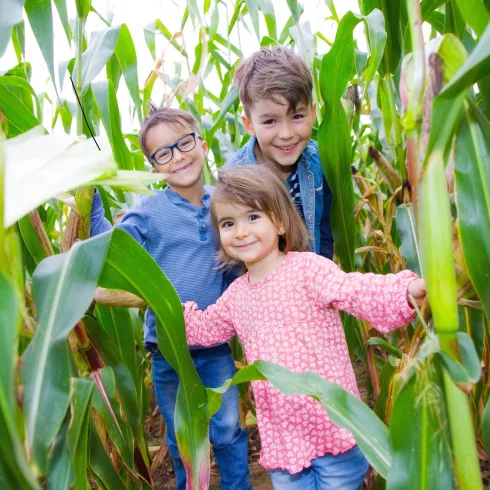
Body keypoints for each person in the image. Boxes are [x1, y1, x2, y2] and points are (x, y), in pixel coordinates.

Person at [182, 165, 427, 490]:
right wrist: (178, 316)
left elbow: (356, 290)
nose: (240, 232)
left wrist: (405, 293)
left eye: (253, 217)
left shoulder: (308, 270)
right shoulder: (236, 295)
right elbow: (208, 328)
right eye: (228, 223)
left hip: (334, 428)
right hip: (284, 442)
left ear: (281, 221)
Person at [90, 105, 251, 490]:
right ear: (153, 167)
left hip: (215, 344)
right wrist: (91, 192)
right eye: (163, 153)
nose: (178, 156)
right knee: (183, 439)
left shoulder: (224, 202)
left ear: (204, 145)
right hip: (168, 346)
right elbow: (107, 251)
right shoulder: (147, 212)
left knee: (228, 430)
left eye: (184, 143)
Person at [225, 46, 334, 260]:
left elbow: (325, 232)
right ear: (249, 125)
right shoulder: (234, 178)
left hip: (312, 281)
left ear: (312, 114)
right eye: (270, 121)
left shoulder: (320, 163)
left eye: (297, 117)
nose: (286, 134)